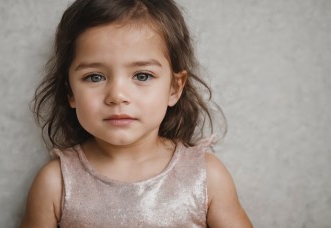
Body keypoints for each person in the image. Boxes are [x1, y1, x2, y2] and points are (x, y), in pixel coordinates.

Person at [21, 0, 252, 227]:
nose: (117, 95)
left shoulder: (207, 176)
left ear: (174, 88)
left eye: (142, 76)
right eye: (95, 77)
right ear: (70, 92)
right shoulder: (55, 182)